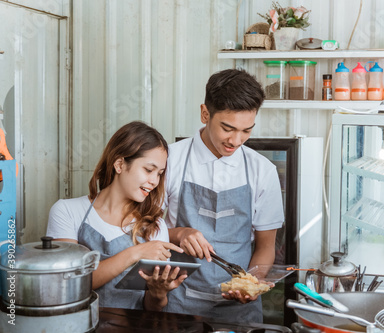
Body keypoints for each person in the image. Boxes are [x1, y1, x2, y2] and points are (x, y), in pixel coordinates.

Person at [164, 69, 285, 323]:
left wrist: (253, 282)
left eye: (246, 131)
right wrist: (179, 233)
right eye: (228, 128)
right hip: (178, 302)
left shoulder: (262, 170)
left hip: (240, 312)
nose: (236, 140)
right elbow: (140, 230)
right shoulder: (169, 160)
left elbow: (265, 247)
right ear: (205, 114)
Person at [46, 121, 186, 311]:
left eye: (160, 173)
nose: (154, 181)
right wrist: (135, 253)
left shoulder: (156, 226)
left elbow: (153, 309)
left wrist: (158, 293)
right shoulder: (67, 211)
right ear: (120, 164)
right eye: (148, 170)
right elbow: (68, 284)